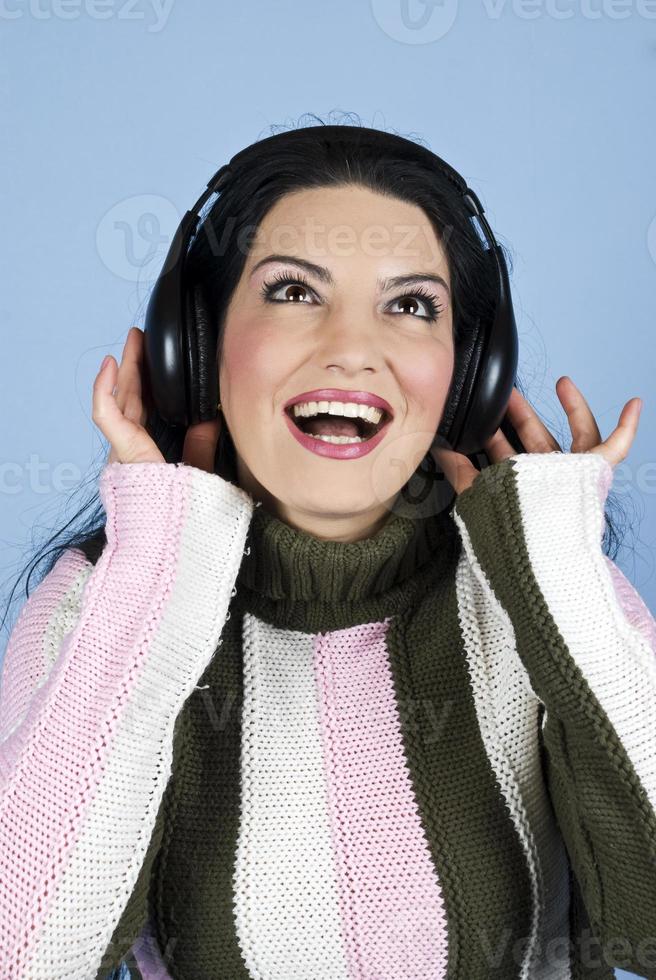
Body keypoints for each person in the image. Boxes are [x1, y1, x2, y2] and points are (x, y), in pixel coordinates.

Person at [1, 119, 654, 980]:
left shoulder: (548, 592)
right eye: (294, 292)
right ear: (194, 349)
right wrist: (161, 571)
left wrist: (558, 576)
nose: (352, 350)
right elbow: (28, 952)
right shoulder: (103, 604)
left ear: (469, 375)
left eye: (411, 305)